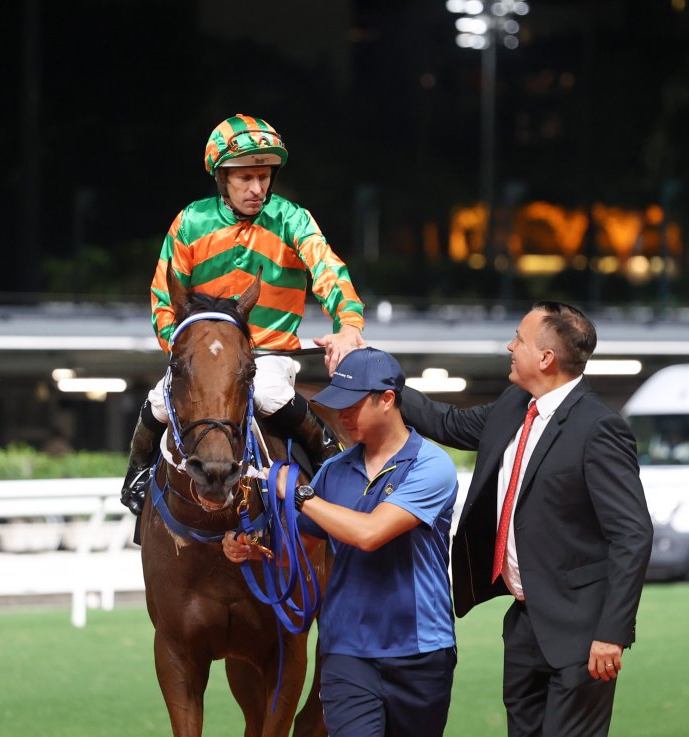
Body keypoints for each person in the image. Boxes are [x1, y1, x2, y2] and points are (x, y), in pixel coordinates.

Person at [400, 301, 653, 737]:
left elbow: (634, 534)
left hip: (582, 632)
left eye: (518, 338)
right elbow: (447, 422)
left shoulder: (599, 428)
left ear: (546, 358)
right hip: (523, 625)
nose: (509, 345)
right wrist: (377, 374)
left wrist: (612, 633)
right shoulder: (515, 404)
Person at [120, 114, 367, 515]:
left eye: (264, 177)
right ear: (221, 178)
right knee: (158, 402)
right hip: (202, 357)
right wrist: (184, 352)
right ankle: (136, 476)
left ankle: (330, 465)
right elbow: (164, 300)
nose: (257, 189)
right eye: (244, 178)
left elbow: (327, 269)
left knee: (269, 394)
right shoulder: (190, 223)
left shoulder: (292, 219)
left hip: (267, 355)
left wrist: (349, 324)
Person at [223, 348, 459, 737]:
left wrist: (302, 497)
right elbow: (300, 552)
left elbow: (370, 534)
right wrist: (253, 551)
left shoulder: (431, 466)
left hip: (421, 652)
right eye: (338, 406)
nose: (342, 416)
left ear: (387, 400)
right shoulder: (333, 470)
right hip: (346, 651)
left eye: (351, 406)